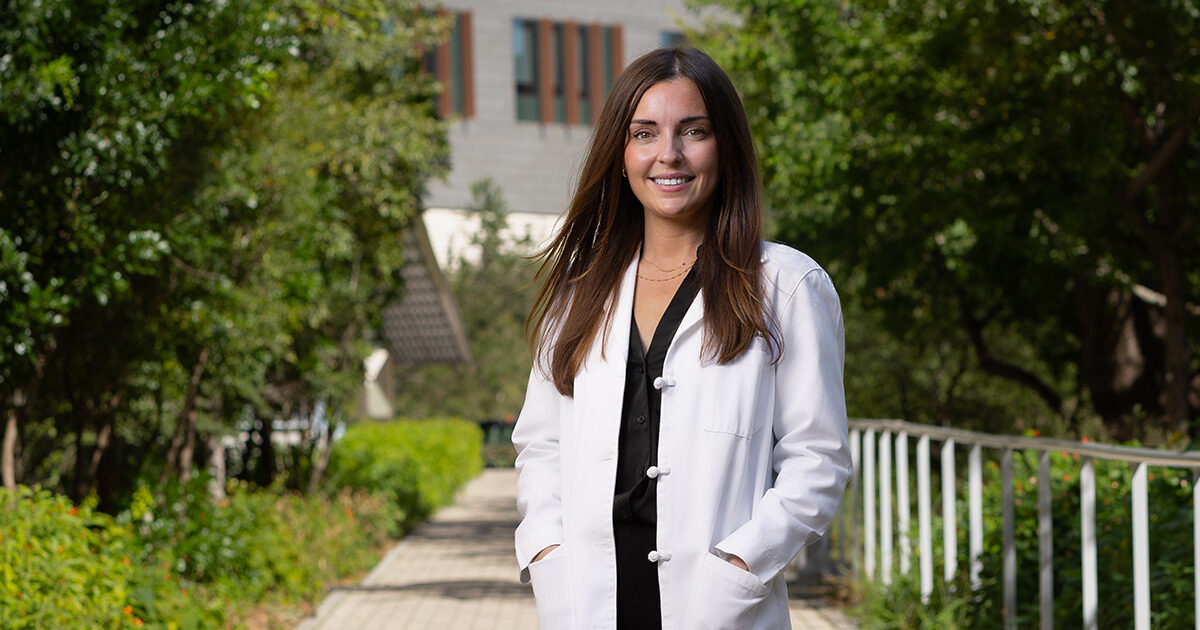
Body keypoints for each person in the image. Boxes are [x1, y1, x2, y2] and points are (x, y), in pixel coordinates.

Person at [512, 46, 851, 630]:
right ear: (620, 154)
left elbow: (817, 459)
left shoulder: (785, 285)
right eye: (644, 133)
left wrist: (742, 562)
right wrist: (545, 550)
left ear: (726, 147)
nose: (668, 154)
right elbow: (540, 446)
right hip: (589, 602)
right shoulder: (578, 296)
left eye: (694, 131)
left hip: (716, 606)